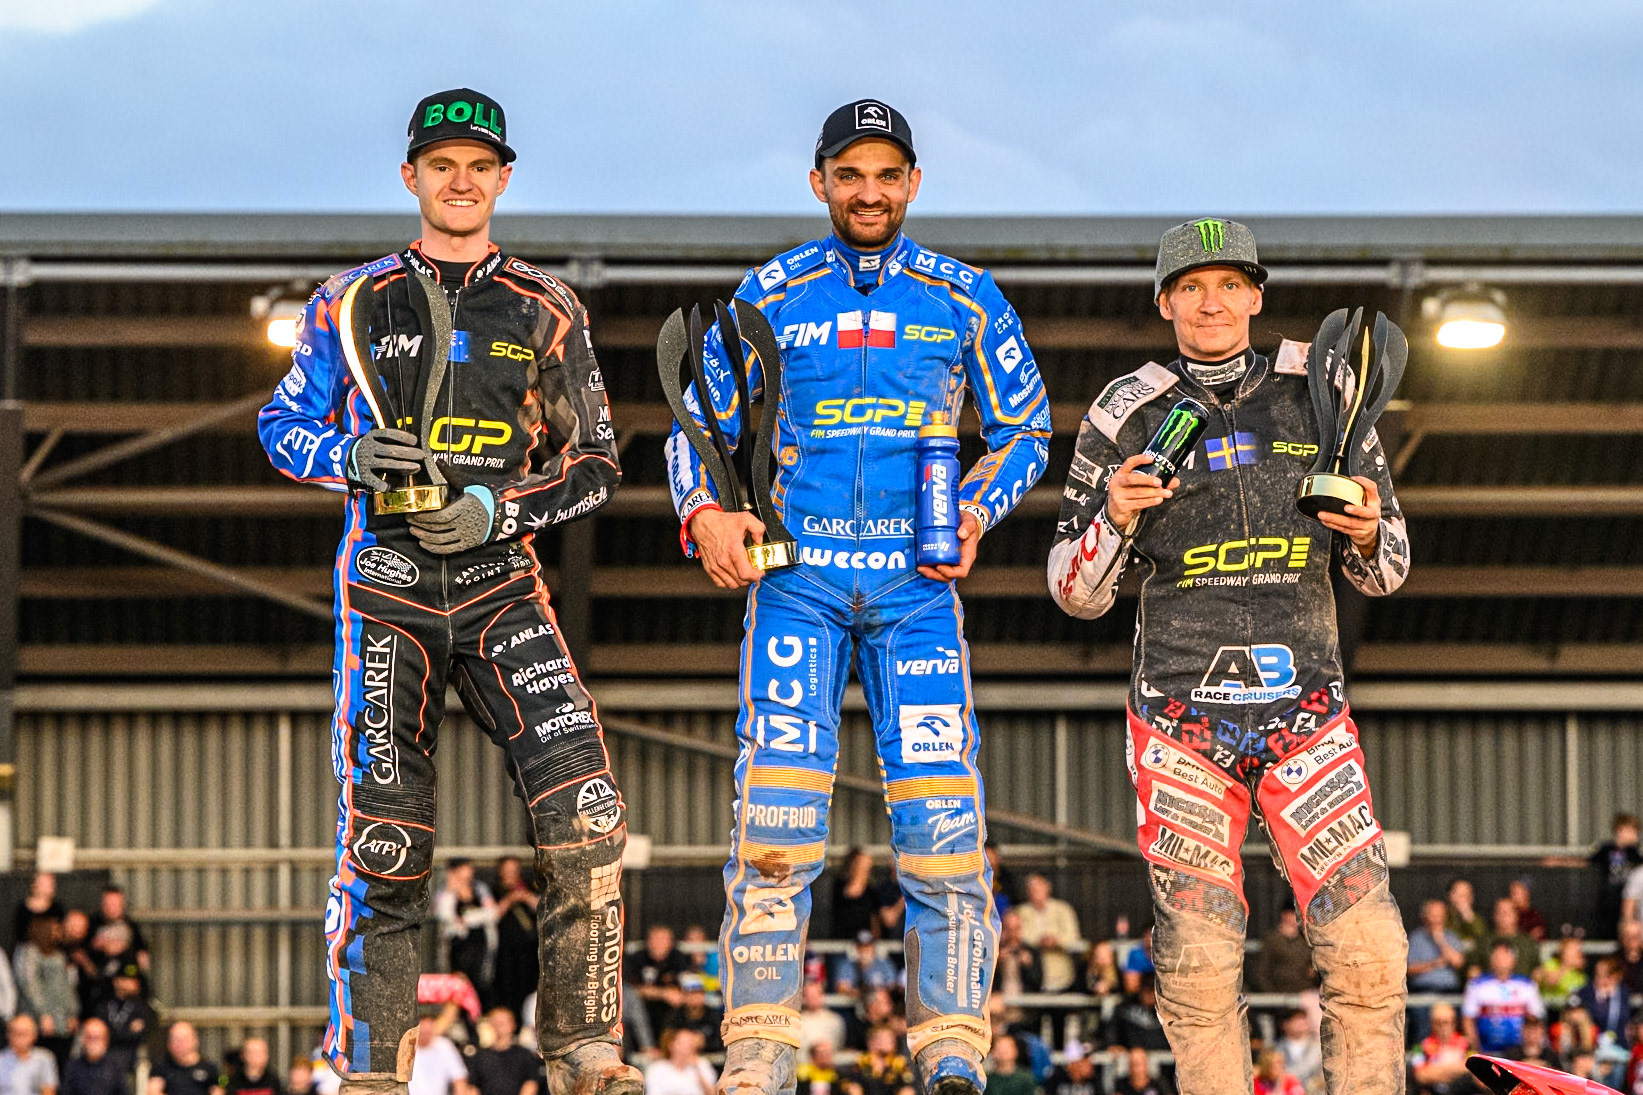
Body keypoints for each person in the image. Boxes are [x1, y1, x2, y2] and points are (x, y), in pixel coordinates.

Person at [256, 87, 637, 1095]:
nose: (459, 181)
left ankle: (585, 1051)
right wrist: (347, 456)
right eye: (441, 165)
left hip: (503, 585)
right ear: (410, 176)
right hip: (386, 590)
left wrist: (495, 509)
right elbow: (280, 426)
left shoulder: (548, 306)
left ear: (502, 179)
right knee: (386, 843)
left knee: (589, 814)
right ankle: (372, 1068)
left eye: (477, 166)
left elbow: (597, 463)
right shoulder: (349, 300)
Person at [664, 98, 1048, 1095]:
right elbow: (693, 427)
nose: (868, 192)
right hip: (797, 580)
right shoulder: (768, 292)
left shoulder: (964, 296)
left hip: (917, 589)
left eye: (885, 174)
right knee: (776, 814)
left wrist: (971, 512)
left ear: (912, 182)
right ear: (818, 182)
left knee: (941, 819)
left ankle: (952, 1047)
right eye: (849, 174)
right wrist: (705, 514)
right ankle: (757, 1048)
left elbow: (1027, 429)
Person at [1048, 218, 1410, 1095]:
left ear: (1254, 294)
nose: (1209, 303)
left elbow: (1388, 567)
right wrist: (1116, 515)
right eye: (1190, 287)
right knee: (1197, 961)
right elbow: (1071, 587)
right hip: (1179, 716)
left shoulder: (1324, 383)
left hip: (1306, 711)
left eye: (1227, 285)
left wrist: (1367, 528)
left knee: (1368, 947)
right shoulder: (1124, 407)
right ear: (1163, 302)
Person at [14, 916, 77, 1068]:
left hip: (61, 1017)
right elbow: (29, 984)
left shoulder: (58, 954)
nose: (59, 933)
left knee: (60, 1062)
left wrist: (72, 1012)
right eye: (55, 929)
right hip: (40, 1017)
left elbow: (66, 986)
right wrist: (43, 1013)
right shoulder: (29, 951)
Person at [1463, 941, 1544, 1055]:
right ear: (1491, 960)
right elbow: (1468, 1020)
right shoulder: (1476, 985)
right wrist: (1477, 1050)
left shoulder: (1527, 985)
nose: (1500, 960)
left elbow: (1536, 1019)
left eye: (1504, 956)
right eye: (1497, 956)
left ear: (1513, 960)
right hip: (1487, 1051)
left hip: (1520, 1053)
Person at [434, 861, 497, 1006]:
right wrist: (451, 889)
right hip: (457, 946)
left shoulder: (480, 888)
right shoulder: (445, 891)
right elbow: (444, 915)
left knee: (480, 982)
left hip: (479, 943)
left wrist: (467, 919)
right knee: (458, 982)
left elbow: (492, 912)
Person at [1406, 899, 1467, 1040]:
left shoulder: (1451, 937)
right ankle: (1422, 1051)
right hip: (1423, 992)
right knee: (1422, 1027)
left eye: (1439, 915)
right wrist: (1434, 964)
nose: (1436, 919)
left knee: (1459, 1019)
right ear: (1425, 916)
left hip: (1449, 992)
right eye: (1433, 914)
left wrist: (1440, 940)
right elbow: (1408, 969)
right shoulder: (1416, 938)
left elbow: (1458, 962)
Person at [489, 857, 540, 1024]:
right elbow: (491, 914)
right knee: (507, 988)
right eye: (507, 870)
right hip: (505, 951)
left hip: (530, 950)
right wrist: (510, 899)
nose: (511, 874)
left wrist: (525, 897)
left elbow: (542, 907)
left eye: (514, 870)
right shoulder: (494, 891)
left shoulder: (530, 887)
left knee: (530, 988)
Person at [1013, 877, 1082, 994]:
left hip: (1061, 975)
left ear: (1048, 888)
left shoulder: (1063, 909)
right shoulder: (1021, 911)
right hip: (1030, 975)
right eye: (1032, 889)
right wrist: (1039, 941)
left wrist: (1056, 941)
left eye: (1039, 888)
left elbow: (1073, 937)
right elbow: (1016, 935)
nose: (1035, 892)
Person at [626, 927, 690, 1044]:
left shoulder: (679, 959)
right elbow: (631, 990)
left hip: (672, 1014)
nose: (659, 944)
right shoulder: (637, 959)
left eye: (663, 940)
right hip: (644, 1010)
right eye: (655, 939)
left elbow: (689, 986)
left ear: (671, 942)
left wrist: (679, 994)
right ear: (648, 941)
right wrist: (663, 994)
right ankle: (647, 1046)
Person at [89, 968, 148, 1080]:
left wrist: (112, 1032)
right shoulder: (104, 1005)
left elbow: (140, 1036)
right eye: (127, 980)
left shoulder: (139, 1007)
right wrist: (127, 1031)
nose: (133, 983)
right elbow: (99, 1033)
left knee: (120, 1059)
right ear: (116, 981)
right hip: (104, 1051)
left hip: (128, 1053)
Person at [1591, 814, 1642, 939]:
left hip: (1627, 899)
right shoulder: (1606, 849)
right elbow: (1588, 862)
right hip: (1608, 900)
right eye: (1632, 831)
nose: (1636, 836)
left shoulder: (1634, 853)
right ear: (1620, 830)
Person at [829, 852, 900, 943]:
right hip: (843, 941)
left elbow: (875, 922)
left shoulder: (870, 892)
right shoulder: (839, 886)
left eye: (868, 866)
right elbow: (851, 892)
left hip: (865, 942)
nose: (865, 869)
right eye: (861, 865)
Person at [465, 1009, 538, 1095]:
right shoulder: (479, 1056)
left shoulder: (524, 1054)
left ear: (513, 1025)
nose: (499, 1025)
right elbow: (472, 1087)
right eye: (495, 1021)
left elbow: (531, 1083)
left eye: (503, 1022)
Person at [1252, 906, 1317, 994]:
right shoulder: (1272, 940)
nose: (1295, 918)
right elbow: (1262, 970)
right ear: (1284, 915)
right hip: (1279, 992)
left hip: (1305, 992)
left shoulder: (1307, 940)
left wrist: (1313, 973)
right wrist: (1271, 993)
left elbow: (1314, 968)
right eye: (1292, 914)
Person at [1407, 1004, 1470, 1095]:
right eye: (1438, 1023)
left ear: (1454, 1023)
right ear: (1432, 1023)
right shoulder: (1419, 1047)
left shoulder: (1467, 1044)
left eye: (1445, 1022)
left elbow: (1471, 1071)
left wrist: (1435, 1069)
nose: (1442, 1027)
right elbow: (1419, 1075)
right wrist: (1455, 1070)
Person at [148, 1022, 225, 1095]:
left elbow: (219, 1090)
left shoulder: (210, 1067)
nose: (178, 1044)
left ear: (195, 1040)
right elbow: (153, 1091)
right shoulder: (160, 1067)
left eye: (183, 1039)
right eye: (174, 1039)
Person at [86, 890, 148, 975]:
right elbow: (82, 949)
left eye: (115, 905)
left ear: (122, 906)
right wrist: (99, 945)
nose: (111, 909)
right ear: (102, 905)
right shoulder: (92, 923)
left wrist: (124, 947)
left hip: (126, 971)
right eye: (107, 905)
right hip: (98, 974)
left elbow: (141, 954)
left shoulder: (131, 926)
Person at [840, 1028, 915, 1095]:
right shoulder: (861, 1064)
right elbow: (850, 1084)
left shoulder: (899, 1065)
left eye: (891, 1039)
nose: (889, 1042)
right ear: (871, 1043)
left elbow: (907, 1085)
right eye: (883, 1039)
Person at [61, 1018, 126, 1095]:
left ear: (106, 1040)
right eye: (89, 1037)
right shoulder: (72, 1066)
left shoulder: (115, 1067)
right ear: (83, 1040)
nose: (93, 1042)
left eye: (97, 1038)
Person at [406, 1016, 468, 1095]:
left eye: (428, 1032)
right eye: (423, 1032)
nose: (425, 1035)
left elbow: (459, 1078)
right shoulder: (405, 1047)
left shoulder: (445, 1046)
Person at [663, 977, 724, 1056]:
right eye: (690, 994)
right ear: (684, 996)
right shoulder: (675, 1015)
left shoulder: (714, 1015)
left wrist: (704, 1042)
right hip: (681, 1057)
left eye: (698, 993)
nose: (694, 997)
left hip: (711, 1058)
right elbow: (666, 1039)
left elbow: (722, 1041)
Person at [1575, 956, 1630, 1042]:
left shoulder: (1623, 993)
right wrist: (1600, 998)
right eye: (1597, 975)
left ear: (1616, 976)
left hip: (1618, 1042)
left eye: (1606, 975)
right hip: (1593, 1041)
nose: (1600, 979)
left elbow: (1624, 1018)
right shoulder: (1586, 992)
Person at [642, 1031, 715, 1095]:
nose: (688, 1047)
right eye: (683, 1043)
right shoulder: (657, 1068)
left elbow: (712, 1093)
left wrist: (697, 1070)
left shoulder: (703, 1064)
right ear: (671, 1046)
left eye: (691, 1043)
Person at [0, 1016, 58, 1095]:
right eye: (15, 1032)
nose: (20, 1037)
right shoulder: (1, 1059)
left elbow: (49, 1090)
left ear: (34, 1035)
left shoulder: (45, 1058)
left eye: (25, 1033)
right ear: (8, 1035)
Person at [1485, 898, 1538, 978]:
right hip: (1489, 984)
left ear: (1516, 916)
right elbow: (1473, 967)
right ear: (1494, 915)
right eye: (1500, 912)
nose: (1503, 916)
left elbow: (1537, 968)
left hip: (1521, 984)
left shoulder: (1528, 942)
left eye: (1507, 912)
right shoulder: (1484, 940)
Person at [1533, 936, 1586, 1016]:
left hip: (1567, 1011)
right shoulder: (1552, 964)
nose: (1577, 952)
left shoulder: (1579, 975)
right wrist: (1566, 967)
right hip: (1547, 1008)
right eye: (1572, 949)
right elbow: (1550, 980)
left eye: (1578, 950)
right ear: (1563, 951)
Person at [834, 935, 897, 1000]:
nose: (864, 952)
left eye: (868, 948)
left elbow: (892, 987)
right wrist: (859, 993)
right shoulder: (847, 965)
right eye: (861, 948)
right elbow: (841, 988)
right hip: (855, 1002)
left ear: (873, 947)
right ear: (856, 948)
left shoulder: (884, 964)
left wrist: (876, 993)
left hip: (880, 1001)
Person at [1274, 1011, 1321, 1095]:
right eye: (1296, 1019)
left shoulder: (1318, 1047)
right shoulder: (1276, 1047)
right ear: (1285, 1024)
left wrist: (1284, 1076)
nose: (1301, 1022)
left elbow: (1311, 1069)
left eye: (1303, 1018)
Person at [797, 982, 844, 1067]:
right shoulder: (797, 1021)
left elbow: (839, 1044)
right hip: (804, 1067)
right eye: (809, 996)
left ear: (822, 996)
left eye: (815, 995)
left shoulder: (835, 1020)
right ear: (803, 999)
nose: (812, 999)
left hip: (829, 1067)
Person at [1444, 880, 1487, 969]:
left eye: (1466, 894)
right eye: (1459, 894)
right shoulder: (1442, 916)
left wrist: (1467, 915)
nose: (1462, 898)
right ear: (1449, 896)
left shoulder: (1477, 919)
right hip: (1447, 963)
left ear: (1471, 898)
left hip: (1471, 963)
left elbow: (1481, 938)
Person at [11, 877, 62, 953]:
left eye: (52, 884)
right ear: (34, 885)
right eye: (46, 884)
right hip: (28, 950)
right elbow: (20, 935)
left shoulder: (57, 908)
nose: (51, 887)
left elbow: (59, 933)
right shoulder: (22, 909)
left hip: (51, 951)